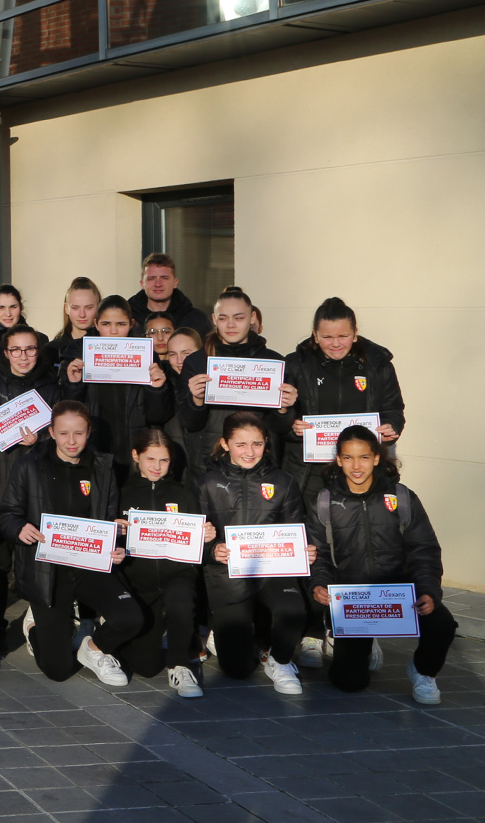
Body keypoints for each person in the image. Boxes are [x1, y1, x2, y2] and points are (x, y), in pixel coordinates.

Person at [0, 400, 140, 684]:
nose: (71, 441)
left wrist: (115, 543)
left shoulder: (102, 466)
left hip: (88, 565)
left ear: (89, 432)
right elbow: (7, 515)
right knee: (59, 671)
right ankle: (34, 627)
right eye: (63, 433)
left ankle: (92, 648)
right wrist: (19, 528)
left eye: (79, 433)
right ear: (51, 432)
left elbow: (107, 519)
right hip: (47, 571)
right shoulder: (29, 465)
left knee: (132, 618)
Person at [307, 426, 450, 704]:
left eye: (364, 457)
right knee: (349, 682)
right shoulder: (324, 501)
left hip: (401, 592)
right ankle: (366, 640)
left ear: (376, 458)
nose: (356, 466)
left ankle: (423, 672)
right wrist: (319, 584)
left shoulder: (402, 497)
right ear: (338, 460)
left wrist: (428, 591)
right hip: (354, 599)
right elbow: (319, 554)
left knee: (442, 624)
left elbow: (424, 550)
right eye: (348, 458)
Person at [197, 411, 313, 694]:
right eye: (241, 444)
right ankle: (226, 633)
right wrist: (212, 549)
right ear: (225, 444)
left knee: (293, 610)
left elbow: (296, 528)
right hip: (228, 573)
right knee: (238, 669)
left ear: (266, 444)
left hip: (272, 570)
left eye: (257, 444)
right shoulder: (206, 482)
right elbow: (193, 534)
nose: (250, 452)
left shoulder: (283, 481)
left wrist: (304, 550)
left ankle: (279, 660)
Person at [113, 429, 207, 698]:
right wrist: (113, 531)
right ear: (136, 456)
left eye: (164, 460)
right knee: (145, 667)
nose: (157, 466)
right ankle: (151, 636)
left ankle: (180, 665)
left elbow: (196, 539)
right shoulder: (121, 493)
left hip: (176, 574)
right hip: (138, 580)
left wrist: (206, 535)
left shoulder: (183, 494)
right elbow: (102, 534)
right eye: (150, 459)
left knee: (181, 600)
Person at [281, 297, 405, 493]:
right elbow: (278, 419)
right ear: (315, 336)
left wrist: (391, 427)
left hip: (360, 472)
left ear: (355, 334)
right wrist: (292, 426)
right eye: (327, 337)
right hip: (310, 474)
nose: (336, 344)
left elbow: (393, 410)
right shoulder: (296, 364)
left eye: (343, 336)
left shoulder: (378, 365)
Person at [175, 286, 298, 484]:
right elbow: (189, 423)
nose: (231, 325)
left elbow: (280, 428)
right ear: (214, 319)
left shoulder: (274, 362)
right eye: (223, 318)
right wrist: (196, 400)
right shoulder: (197, 362)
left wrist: (284, 409)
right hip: (209, 465)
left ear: (252, 318)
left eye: (239, 318)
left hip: (260, 466)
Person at [61, 295, 174, 482]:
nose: (113, 331)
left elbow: (157, 417)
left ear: (131, 324)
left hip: (135, 455)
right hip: (95, 451)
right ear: (96, 324)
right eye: (106, 324)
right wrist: (74, 385)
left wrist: (157, 389)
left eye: (121, 324)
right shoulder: (78, 357)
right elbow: (68, 414)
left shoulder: (147, 357)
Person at [0, 323, 64, 504]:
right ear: (6, 353)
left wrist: (39, 439)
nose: (23, 357)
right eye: (16, 350)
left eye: (30, 349)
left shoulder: (52, 390)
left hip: (40, 479)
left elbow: (62, 435)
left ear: (38, 351)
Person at [136, 253, 213, 334]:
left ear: (175, 282)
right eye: (151, 278)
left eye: (164, 278)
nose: (158, 284)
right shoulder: (129, 318)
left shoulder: (198, 320)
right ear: (142, 284)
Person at [43, 276, 101, 372]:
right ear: (67, 308)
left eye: (89, 307)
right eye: (75, 308)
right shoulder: (51, 351)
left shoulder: (111, 347)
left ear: (99, 307)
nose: (82, 314)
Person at [0, 285, 40, 360]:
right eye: (1, 308)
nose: (8, 314)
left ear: (21, 307)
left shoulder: (39, 339)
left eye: (13, 307)